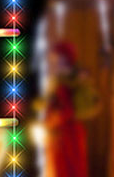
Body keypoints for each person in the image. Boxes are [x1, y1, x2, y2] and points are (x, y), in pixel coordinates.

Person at [45, 41, 99, 177]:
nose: (55, 63)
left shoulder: (69, 81)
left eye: (57, 59)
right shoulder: (61, 80)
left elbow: (67, 108)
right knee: (64, 166)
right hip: (62, 132)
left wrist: (55, 118)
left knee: (70, 167)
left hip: (68, 133)